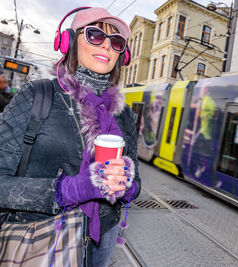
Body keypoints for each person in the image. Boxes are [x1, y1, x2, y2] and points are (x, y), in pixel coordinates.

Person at [0, 7, 140, 267]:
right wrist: (68, 189)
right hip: (42, 236)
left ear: (123, 54)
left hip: (103, 236)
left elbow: (136, 183)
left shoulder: (124, 115)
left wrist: (126, 184)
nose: (107, 46)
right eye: (95, 35)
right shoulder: (37, 95)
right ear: (69, 41)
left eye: (116, 41)